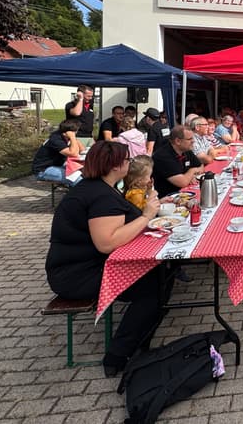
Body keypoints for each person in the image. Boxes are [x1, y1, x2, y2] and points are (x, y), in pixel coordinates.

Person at [44, 141, 167, 377]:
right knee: (152, 287)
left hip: (88, 265)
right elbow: (107, 242)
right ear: (114, 166)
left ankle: (140, 340)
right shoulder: (100, 196)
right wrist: (147, 216)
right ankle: (118, 355)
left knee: (161, 272)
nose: (130, 164)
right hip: (76, 275)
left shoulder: (102, 187)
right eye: (127, 160)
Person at [151, 125, 204, 198]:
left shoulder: (186, 150)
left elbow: (201, 166)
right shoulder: (162, 156)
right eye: (190, 139)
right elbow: (182, 182)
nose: (193, 141)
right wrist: (192, 171)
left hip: (184, 193)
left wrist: (190, 176)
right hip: (168, 199)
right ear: (178, 141)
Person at [32, 119, 84, 184]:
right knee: (77, 179)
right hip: (43, 170)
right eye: (76, 130)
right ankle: (80, 193)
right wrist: (72, 137)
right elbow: (73, 154)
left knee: (84, 172)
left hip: (57, 165)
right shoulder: (56, 139)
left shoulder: (64, 136)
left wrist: (74, 139)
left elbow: (82, 150)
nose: (77, 132)